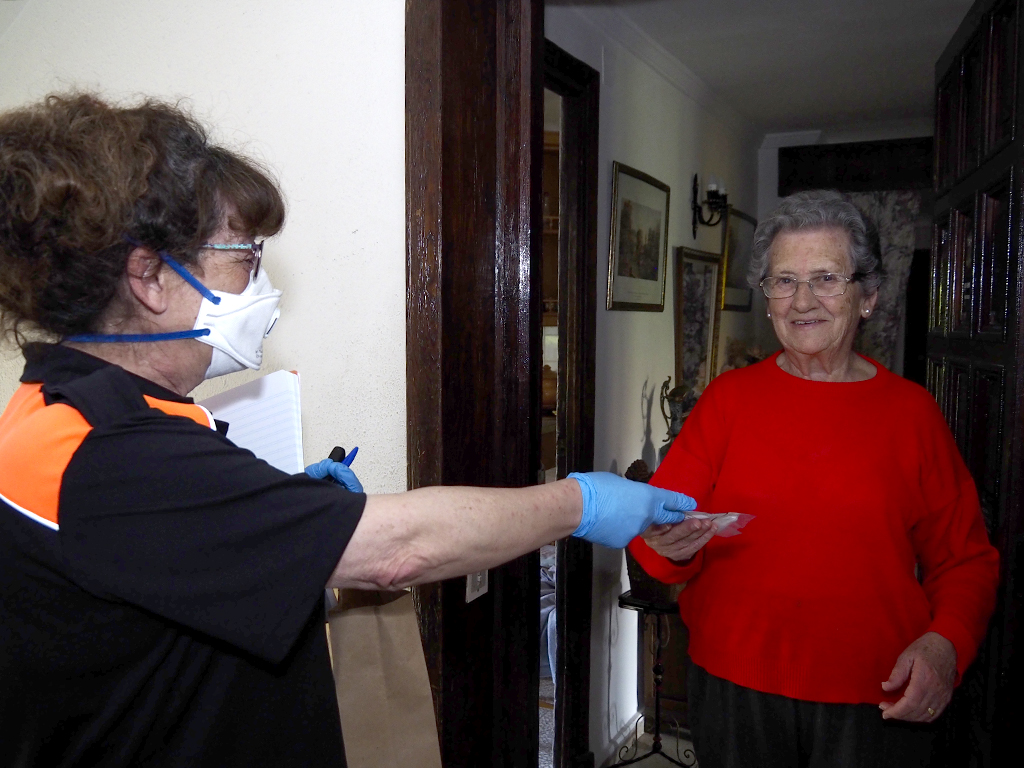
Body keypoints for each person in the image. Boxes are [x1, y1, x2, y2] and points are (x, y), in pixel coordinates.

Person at [0, 93, 696, 768]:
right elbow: (400, 550)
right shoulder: (114, 450)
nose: (262, 285)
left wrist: (274, 519)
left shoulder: (59, 404)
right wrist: (582, 503)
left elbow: (151, 563)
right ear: (150, 277)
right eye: (245, 257)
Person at [629, 190, 1000, 768]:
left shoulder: (911, 413)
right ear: (769, 298)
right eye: (783, 281)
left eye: (827, 278)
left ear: (868, 296)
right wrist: (666, 545)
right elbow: (654, 538)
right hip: (735, 691)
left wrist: (945, 644)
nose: (803, 300)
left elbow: (965, 559)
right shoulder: (728, 401)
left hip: (875, 696)